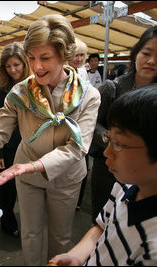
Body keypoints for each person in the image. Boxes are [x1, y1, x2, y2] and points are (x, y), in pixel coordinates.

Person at [0, 14, 101, 265]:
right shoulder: (21, 91)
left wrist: (28, 167)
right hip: (27, 172)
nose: (37, 66)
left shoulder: (87, 96)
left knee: (61, 236)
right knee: (30, 234)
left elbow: (77, 147)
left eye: (45, 58)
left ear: (63, 55)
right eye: (31, 58)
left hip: (65, 176)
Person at [50, 80, 157, 266]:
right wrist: (77, 256)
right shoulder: (127, 185)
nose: (107, 152)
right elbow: (101, 226)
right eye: (108, 138)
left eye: (119, 144)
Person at [89, 23, 157, 223]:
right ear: (136, 53)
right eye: (146, 52)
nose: (152, 61)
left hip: (149, 173)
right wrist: (110, 139)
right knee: (102, 218)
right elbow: (92, 123)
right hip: (108, 166)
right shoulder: (112, 88)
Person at [0, 42, 31, 238]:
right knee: (8, 188)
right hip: (8, 146)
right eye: (8, 66)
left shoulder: (34, 83)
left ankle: (30, 223)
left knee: (29, 186)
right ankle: (7, 222)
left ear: (24, 63)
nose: (13, 69)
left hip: (31, 144)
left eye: (17, 64)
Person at [67, 37, 90, 210]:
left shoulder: (83, 73)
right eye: (76, 55)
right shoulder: (63, 73)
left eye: (82, 55)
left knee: (81, 163)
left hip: (81, 125)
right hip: (66, 126)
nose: (79, 59)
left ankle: (77, 202)